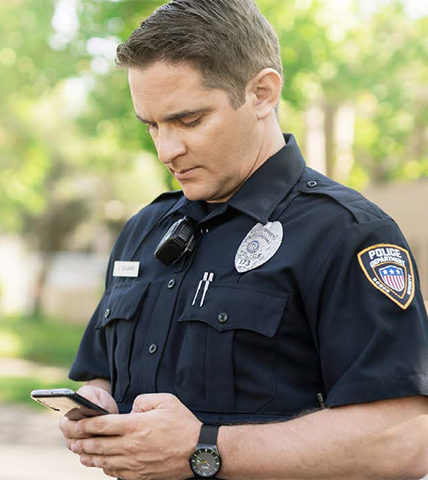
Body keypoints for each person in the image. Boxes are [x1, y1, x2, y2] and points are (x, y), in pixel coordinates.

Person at [58, 1, 428, 479]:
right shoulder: (144, 231)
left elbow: (404, 439)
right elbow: (101, 372)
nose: (167, 150)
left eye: (189, 121)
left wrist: (201, 449)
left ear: (262, 94)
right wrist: (96, 404)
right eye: (152, 125)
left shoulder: (347, 234)